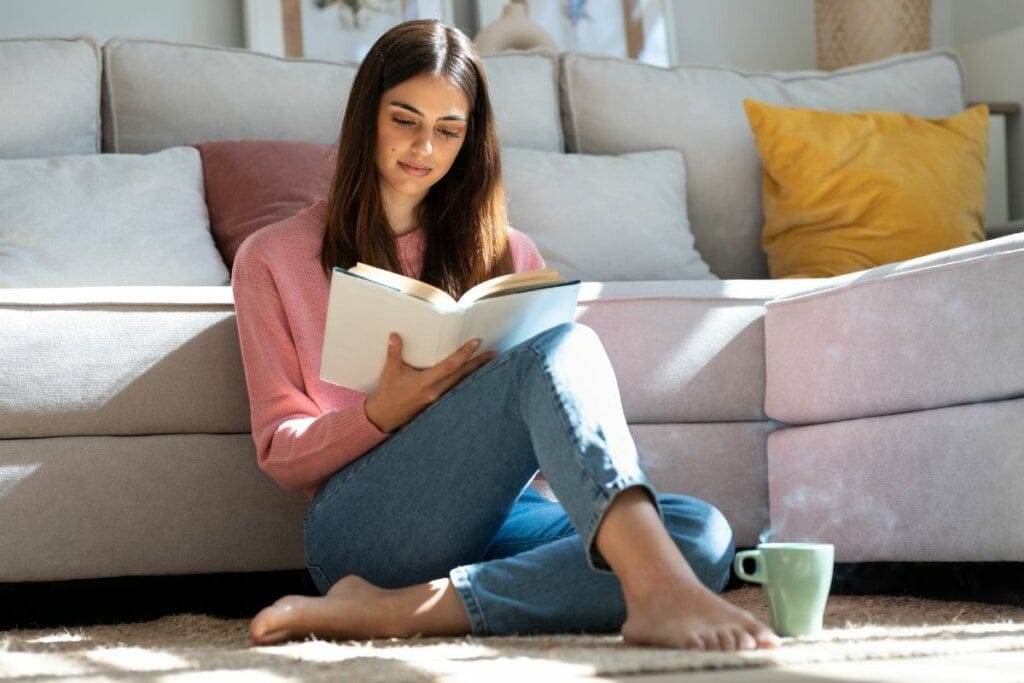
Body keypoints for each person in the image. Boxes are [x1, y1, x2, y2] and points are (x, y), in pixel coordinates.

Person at [231, 19, 778, 651]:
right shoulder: (272, 256)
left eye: (448, 130)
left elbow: (545, 429)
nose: (424, 148)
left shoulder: (509, 252)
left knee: (698, 535)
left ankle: (401, 612)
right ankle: (651, 591)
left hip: (505, 517)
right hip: (365, 526)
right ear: (366, 117)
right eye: (404, 120)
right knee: (570, 353)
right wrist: (383, 412)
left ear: (471, 139)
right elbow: (280, 449)